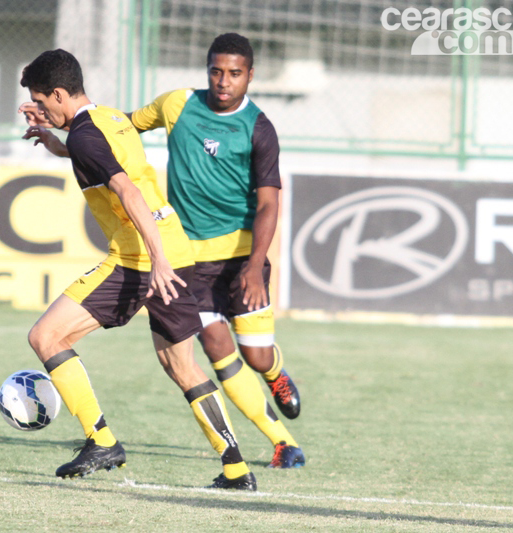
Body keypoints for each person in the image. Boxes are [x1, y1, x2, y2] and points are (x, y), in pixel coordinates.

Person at [20, 34, 305, 469]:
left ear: (58, 94)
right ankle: (235, 468)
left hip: (142, 260)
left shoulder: (85, 135)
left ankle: (101, 440)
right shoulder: (112, 118)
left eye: (43, 100)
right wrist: (56, 137)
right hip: (181, 251)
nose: (43, 108)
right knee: (182, 366)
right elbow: (96, 151)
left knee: (46, 336)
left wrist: (157, 262)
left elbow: (128, 191)